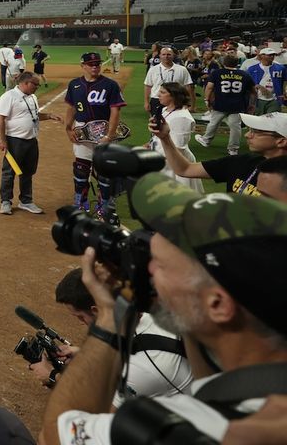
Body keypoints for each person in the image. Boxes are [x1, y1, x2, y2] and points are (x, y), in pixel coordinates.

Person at [40, 175, 287, 445]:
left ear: (218, 305)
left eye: (159, 264)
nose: (146, 270)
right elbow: (208, 379)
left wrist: (112, 316)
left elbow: (54, 435)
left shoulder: (200, 429)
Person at [27, 267, 193, 405]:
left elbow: (93, 405)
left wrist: (51, 375)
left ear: (97, 310)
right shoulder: (153, 316)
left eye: (80, 316)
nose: (80, 322)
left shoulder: (138, 368)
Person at [154, 111, 287, 197]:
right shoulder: (241, 162)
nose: (247, 135)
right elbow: (185, 169)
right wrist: (165, 138)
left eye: (256, 132)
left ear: (281, 141)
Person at [64, 52, 126, 217]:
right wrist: (68, 129)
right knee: (81, 168)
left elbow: (115, 111)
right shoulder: (74, 84)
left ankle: (105, 204)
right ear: (83, 66)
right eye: (91, 64)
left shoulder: (110, 85)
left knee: (105, 171)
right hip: (82, 131)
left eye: (97, 64)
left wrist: (109, 136)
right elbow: (71, 108)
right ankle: (80, 202)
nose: (95, 67)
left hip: (104, 131)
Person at [0, 71, 61, 215]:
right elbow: (1, 119)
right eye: (35, 84)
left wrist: (49, 116)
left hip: (31, 140)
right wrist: (3, 140)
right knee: (9, 172)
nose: (37, 87)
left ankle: (26, 201)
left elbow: (34, 115)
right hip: (14, 140)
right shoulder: (9, 96)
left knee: (28, 172)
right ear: (25, 83)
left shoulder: (32, 97)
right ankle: (5, 202)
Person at [196, 54, 255, 157]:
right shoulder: (244, 74)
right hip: (237, 104)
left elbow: (209, 87)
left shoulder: (217, 73)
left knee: (214, 123)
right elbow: (253, 91)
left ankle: (206, 139)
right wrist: (252, 104)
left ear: (223, 62)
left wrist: (207, 99)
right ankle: (233, 149)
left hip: (221, 103)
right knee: (235, 127)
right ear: (237, 63)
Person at [149, 82, 202, 191]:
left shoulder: (182, 118)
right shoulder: (165, 109)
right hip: (164, 161)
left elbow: (179, 149)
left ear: (174, 96)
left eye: (163, 92)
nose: (158, 94)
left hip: (175, 167)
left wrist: (151, 158)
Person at [144, 46, 194, 119]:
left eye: (168, 54)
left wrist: (188, 102)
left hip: (177, 100)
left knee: (176, 122)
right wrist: (146, 102)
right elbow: (148, 86)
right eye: (163, 54)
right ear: (160, 56)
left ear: (173, 56)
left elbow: (188, 87)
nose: (166, 56)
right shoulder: (153, 70)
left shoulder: (182, 70)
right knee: (156, 124)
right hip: (157, 100)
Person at [246, 46, 286, 115]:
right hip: (257, 99)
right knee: (258, 121)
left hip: (275, 99)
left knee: (273, 121)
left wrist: (284, 92)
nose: (272, 56)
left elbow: (285, 80)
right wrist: (258, 86)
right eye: (269, 55)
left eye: (273, 55)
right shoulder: (252, 69)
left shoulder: (280, 68)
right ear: (262, 56)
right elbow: (247, 84)